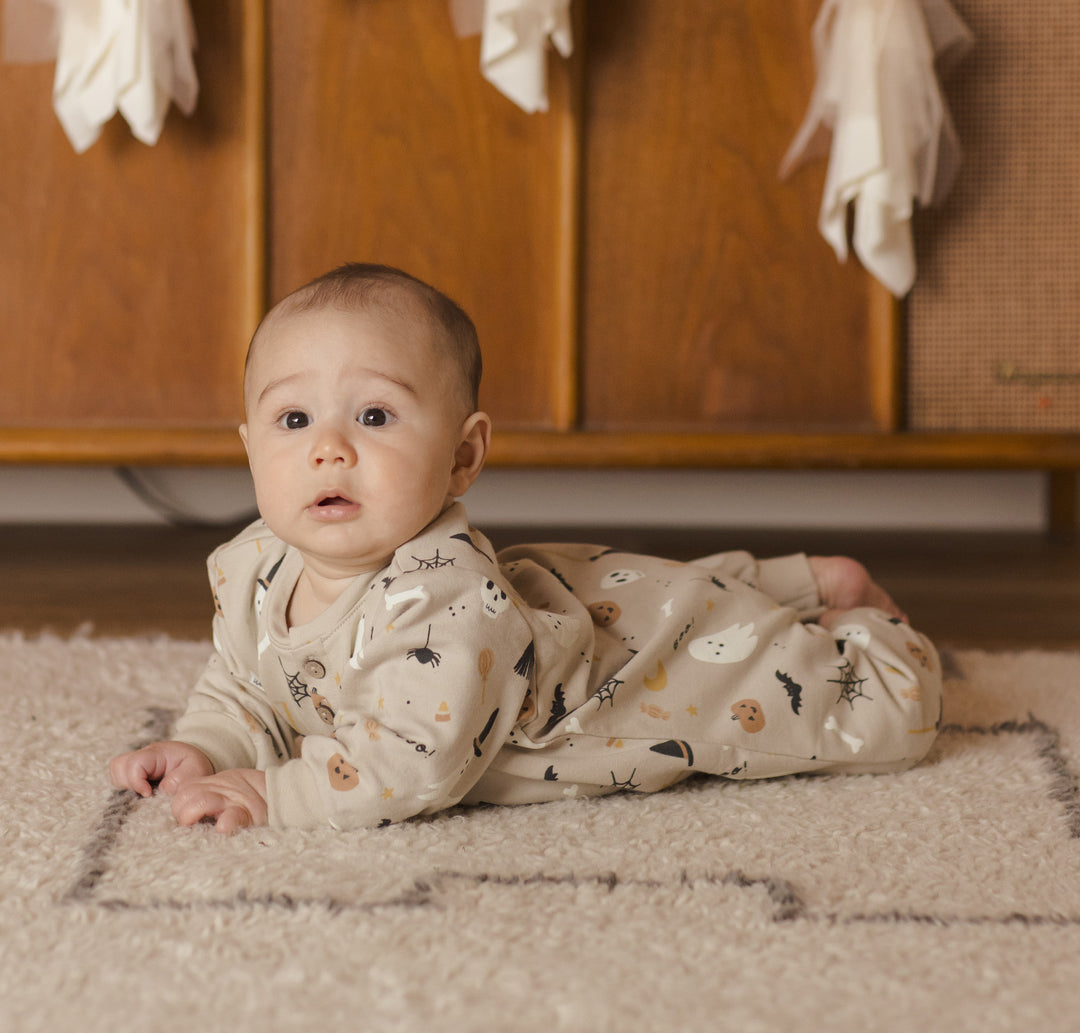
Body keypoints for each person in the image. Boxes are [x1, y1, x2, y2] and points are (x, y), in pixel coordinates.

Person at [109, 263, 943, 833]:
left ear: (464, 456)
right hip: (586, 600)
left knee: (866, 713)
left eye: (373, 416)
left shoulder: (449, 607)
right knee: (641, 590)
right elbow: (248, 686)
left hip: (625, 690)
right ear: (250, 445)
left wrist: (272, 792)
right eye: (294, 420)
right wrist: (207, 747)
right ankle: (802, 581)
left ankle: (866, 634)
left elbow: (411, 765)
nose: (329, 448)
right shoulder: (255, 566)